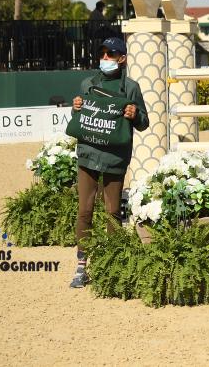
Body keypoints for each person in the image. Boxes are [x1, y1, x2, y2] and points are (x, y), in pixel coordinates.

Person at [68, 36, 149, 288]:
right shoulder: (88, 83)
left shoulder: (131, 88)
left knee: (112, 212)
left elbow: (144, 122)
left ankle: (112, 262)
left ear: (122, 58)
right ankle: (82, 264)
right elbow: (80, 116)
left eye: (110, 54)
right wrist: (76, 107)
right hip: (88, 154)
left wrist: (135, 114)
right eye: (102, 53)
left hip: (115, 157)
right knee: (85, 210)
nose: (105, 58)